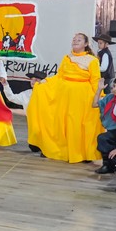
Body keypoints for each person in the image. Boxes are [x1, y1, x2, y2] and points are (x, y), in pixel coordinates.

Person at [27, 33, 103, 163]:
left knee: (77, 123)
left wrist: (99, 96)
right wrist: (45, 82)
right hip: (63, 95)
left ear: (86, 44)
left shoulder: (92, 60)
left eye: (79, 40)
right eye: (74, 39)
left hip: (81, 97)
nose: (75, 41)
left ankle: (81, 153)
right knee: (60, 122)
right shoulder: (67, 57)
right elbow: (59, 76)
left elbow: (95, 80)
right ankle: (57, 149)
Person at [92, 75, 116, 174]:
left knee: (103, 138)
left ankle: (108, 164)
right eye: (114, 86)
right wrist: (99, 89)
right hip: (111, 128)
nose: (114, 89)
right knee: (108, 143)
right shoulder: (109, 97)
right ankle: (110, 164)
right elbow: (94, 104)